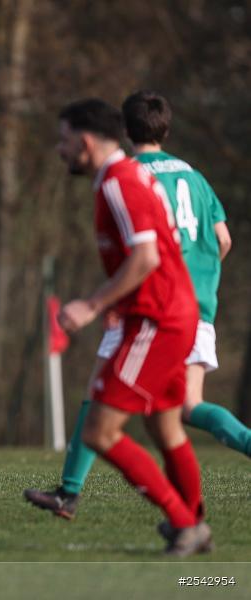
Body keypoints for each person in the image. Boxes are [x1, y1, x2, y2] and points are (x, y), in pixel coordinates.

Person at [25, 92, 246, 526]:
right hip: (189, 303)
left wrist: (95, 303)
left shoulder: (125, 178)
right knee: (174, 418)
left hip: (156, 309)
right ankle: (191, 520)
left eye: (65, 140)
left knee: (103, 418)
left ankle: (79, 495)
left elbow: (145, 256)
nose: (60, 149)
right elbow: (223, 240)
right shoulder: (193, 175)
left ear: (120, 133)